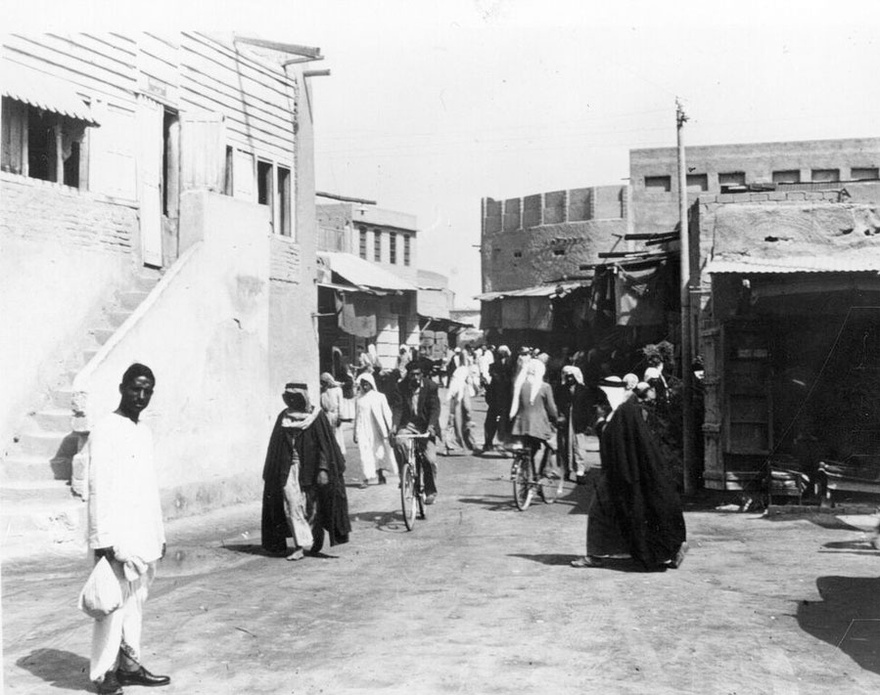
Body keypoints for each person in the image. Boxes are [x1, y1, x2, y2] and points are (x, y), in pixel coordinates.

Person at [85, 363, 169, 695]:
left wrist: (158, 534)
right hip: (116, 535)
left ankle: (130, 666)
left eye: (148, 390)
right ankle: (103, 673)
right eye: (136, 388)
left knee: (136, 601)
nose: (141, 396)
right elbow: (98, 488)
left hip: (142, 534)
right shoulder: (106, 429)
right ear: (122, 388)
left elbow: (149, 488)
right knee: (111, 604)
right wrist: (104, 540)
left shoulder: (143, 431)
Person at [571, 376, 688, 572]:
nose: (601, 403)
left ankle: (595, 555)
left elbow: (612, 439)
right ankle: (672, 547)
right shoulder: (631, 409)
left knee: (599, 510)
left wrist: (600, 423)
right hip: (636, 470)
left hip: (621, 472)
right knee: (645, 509)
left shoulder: (623, 412)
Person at [261, 383, 351, 561]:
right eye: (290, 397)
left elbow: (325, 446)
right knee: (292, 505)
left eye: (297, 397)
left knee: (311, 508)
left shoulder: (316, 417)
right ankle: (300, 546)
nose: (293, 400)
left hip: (311, 469)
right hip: (288, 469)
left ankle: (316, 533)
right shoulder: (284, 417)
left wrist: (323, 469)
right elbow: (275, 447)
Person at [511, 358, 562, 502]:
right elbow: (551, 408)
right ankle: (541, 475)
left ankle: (529, 476)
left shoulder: (520, 384)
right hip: (538, 425)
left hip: (520, 424)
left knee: (529, 452)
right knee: (551, 446)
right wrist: (556, 418)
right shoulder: (545, 386)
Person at [393, 361, 441, 504]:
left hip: (426, 426)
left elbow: (434, 408)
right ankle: (405, 475)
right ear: (408, 374)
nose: (415, 377)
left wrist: (431, 426)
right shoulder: (401, 387)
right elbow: (398, 408)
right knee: (399, 442)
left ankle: (430, 489)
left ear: (422, 374)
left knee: (430, 460)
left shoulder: (430, 386)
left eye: (418, 374)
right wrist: (394, 426)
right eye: (412, 374)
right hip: (408, 425)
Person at [352, 373, 396, 487]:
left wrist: (391, 428)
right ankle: (365, 479)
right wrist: (355, 433)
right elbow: (357, 417)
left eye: (367, 384)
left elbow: (387, 414)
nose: (365, 387)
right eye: (363, 385)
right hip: (363, 430)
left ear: (371, 384)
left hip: (377, 430)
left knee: (378, 452)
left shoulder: (379, 397)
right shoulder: (359, 399)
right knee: (364, 454)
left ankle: (380, 475)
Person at [557, 365, 595, 482]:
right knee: (564, 446)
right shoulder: (560, 389)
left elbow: (588, 408)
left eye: (571, 377)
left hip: (578, 423)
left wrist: (588, 424)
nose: (569, 379)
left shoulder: (584, 390)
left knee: (579, 447)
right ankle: (566, 471)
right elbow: (557, 403)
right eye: (567, 377)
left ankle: (580, 471)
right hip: (565, 422)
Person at [482, 345, 513, 454]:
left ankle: (488, 443)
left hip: (496, 398)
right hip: (505, 398)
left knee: (491, 421)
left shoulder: (494, 367)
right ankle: (501, 443)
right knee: (504, 421)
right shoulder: (511, 367)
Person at [443, 364, 477, 454]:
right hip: (462, 416)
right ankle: (468, 446)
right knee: (466, 429)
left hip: (453, 414)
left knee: (452, 428)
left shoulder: (454, 386)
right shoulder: (463, 386)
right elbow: (467, 405)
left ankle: (451, 447)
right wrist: (469, 415)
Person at [319, 372, 346, 454]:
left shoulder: (337, 390)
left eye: (324, 382)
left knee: (336, 435)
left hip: (335, 415)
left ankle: (337, 453)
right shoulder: (322, 391)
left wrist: (340, 417)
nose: (323, 384)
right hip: (325, 415)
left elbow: (341, 404)